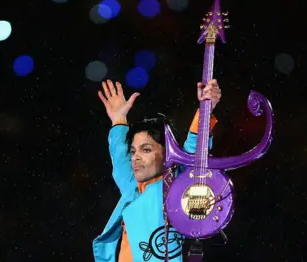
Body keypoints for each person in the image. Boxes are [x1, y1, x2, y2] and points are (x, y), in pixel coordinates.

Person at [93, 79, 222, 261]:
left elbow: (195, 152)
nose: (135, 157)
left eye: (146, 149)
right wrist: (118, 119)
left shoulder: (176, 186)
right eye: (133, 151)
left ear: (168, 154)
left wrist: (205, 110)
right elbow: (120, 157)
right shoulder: (133, 188)